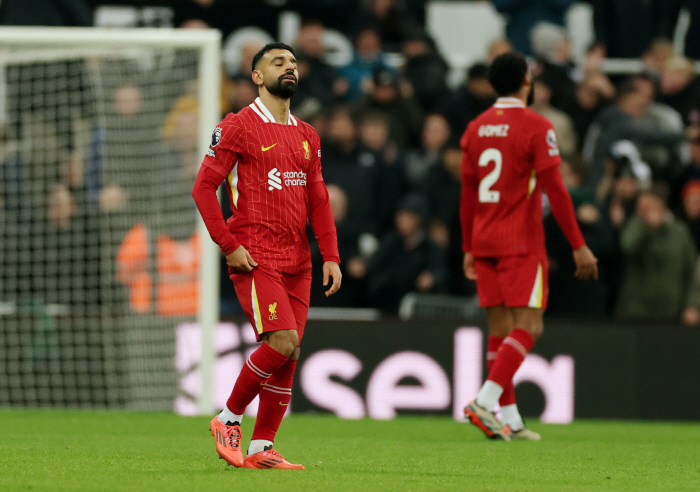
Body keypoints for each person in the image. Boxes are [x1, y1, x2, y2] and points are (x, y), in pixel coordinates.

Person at [191, 42, 341, 469]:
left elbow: (319, 199)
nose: (289, 68)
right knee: (282, 340)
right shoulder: (238, 125)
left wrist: (330, 254)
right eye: (278, 63)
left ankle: (262, 448)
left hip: (299, 260)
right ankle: (228, 417)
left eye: (293, 63)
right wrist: (229, 244)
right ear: (257, 76)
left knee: (291, 353)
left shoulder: (307, 134)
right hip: (255, 254)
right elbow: (203, 188)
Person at [460, 52, 598, 441]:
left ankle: (509, 420)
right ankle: (485, 401)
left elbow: (467, 195)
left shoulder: (475, 128)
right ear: (526, 81)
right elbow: (556, 190)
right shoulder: (537, 126)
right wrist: (578, 244)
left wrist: (469, 246)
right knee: (529, 325)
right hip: (520, 241)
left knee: (499, 329)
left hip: (484, 240)